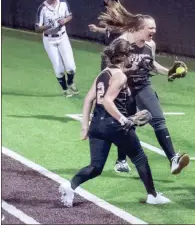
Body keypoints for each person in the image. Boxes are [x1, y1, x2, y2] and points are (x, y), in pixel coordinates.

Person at [59, 38, 171, 207]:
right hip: (115, 125)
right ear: (125, 56)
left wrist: (85, 126)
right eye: (131, 55)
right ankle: (152, 195)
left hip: (97, 125)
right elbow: (107, 101)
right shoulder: (119, 77)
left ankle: (70, 186)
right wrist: (123, 119)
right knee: (140, 158)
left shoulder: (104, 73)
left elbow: (89, 100)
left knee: (96, 167)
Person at [97, 2, 190, 175]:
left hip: (143, 85)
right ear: (139, 28)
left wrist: (168, 71)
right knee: (127, 123)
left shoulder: (150, 45)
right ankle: (121, 160)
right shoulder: (121, 43)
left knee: (159, 120)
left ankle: (173, 159)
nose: (154, 31)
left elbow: (150, 64)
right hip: (124, 88)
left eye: (155, 28)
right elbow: (108, 69)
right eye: (151, 28)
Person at [89, 0, 131, 174]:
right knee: (105, 101)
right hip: (109, 62)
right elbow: (111, 32)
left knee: (115, 104)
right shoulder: (113, 14)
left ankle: (121, 159)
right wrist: (99, 30)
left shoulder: (119, 15)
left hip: (114, 65)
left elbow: (122, 37)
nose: (103, 0)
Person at [35, 0, 78, 97]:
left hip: (63, 37)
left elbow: (69, 15)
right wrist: (49, 25)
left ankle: (70, 82)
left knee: (71, 67)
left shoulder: (63, 2)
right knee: (59, 69)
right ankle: (65, 89)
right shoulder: (42, 9)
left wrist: (64, 20)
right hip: (49, 40)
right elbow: (37, 28)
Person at [88, 0, 127, 70]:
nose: (103, 0)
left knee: (109, 76)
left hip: (116, 51)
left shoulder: (116, 12)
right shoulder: (113, 10)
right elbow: (110, 30)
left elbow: (121, 31)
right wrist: (97, 29)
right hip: (112, 49)